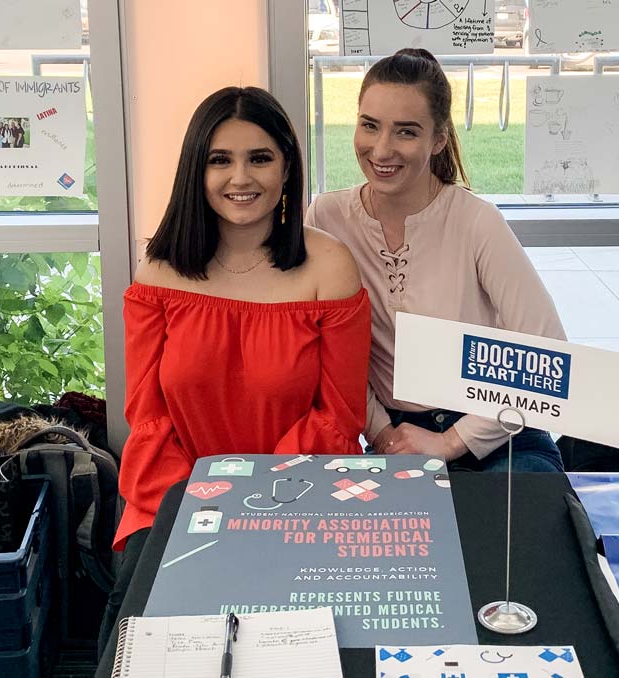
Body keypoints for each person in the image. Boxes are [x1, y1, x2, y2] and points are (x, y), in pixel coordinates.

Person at [100, 86, 370, 654]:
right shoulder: (160, 270)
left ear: (287, 166)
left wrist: (254, 509)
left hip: (301, 498)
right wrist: (202, 506)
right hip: (171, 501)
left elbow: (338, 419)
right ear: (195, 170)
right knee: (140, 644)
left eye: (260, 158)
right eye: (219, 159)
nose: (239, 178)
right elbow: (147, 419)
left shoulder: (330, 267)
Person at [306, 48, 567, 473]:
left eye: (406, 132)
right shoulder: (326, 217)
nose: (381, 149)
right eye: (370, 126)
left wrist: (450, 441)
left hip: (499, 436)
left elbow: (549, 354)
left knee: (510, 534)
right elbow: (328, 354)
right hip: (397, 435)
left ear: (439, 139)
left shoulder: (476, 221)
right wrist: (383, 434)